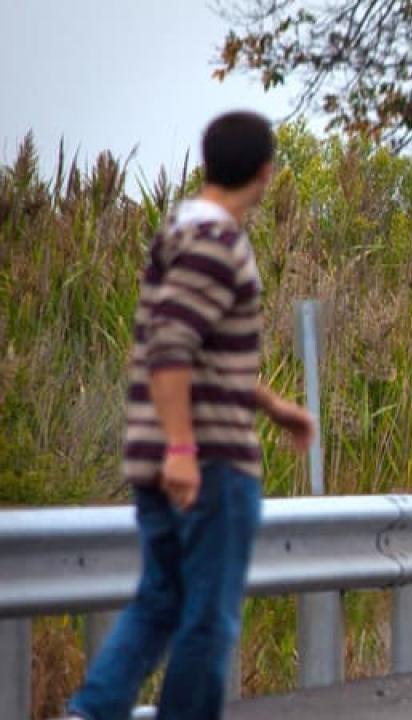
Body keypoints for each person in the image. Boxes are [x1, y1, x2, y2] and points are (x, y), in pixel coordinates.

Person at [65, 111, 313, 720]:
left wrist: (271, 404)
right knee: (209, 616)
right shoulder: (216, 241)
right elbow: (172, 346)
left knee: (162, 599)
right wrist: (183, 449)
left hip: (162, 454)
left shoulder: (177, 231)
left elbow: (194, 350)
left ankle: (92, 712)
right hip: (205, 461)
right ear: (265, 172)